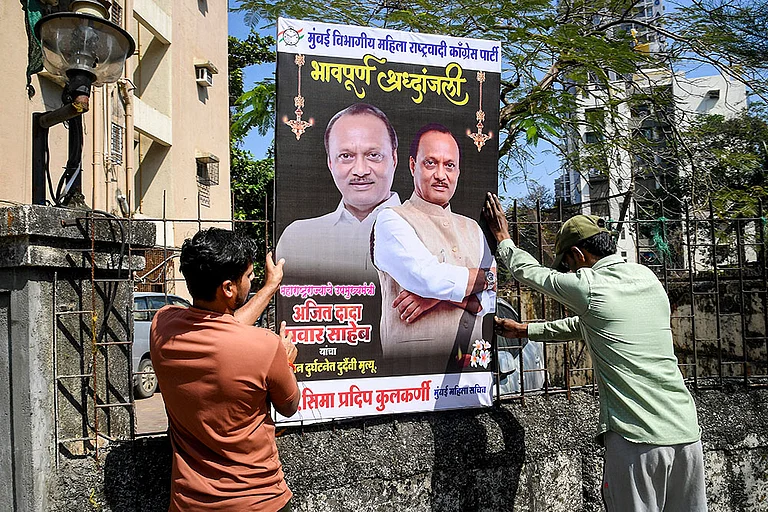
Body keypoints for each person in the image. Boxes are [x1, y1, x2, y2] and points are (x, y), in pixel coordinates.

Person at [484, 194, 706, 512]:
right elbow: (589, 325)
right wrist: (525, 330)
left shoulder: (590, 285)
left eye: (569, 265)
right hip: (686, 434)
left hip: (636, 439)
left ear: (577, 254)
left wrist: (503, 237)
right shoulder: (647, 279)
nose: (570, 271)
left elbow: (529, 273)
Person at [150, 228, 300, 512]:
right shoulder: (265, 346)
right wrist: (286, 360)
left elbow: (218, 328)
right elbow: (290, 405)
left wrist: (269, 287)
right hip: (258, 500)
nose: (253, 280)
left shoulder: (163, 326)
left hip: (189, 503)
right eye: (249, 277)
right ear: (229, 288)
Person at [372, 123, 495, 367]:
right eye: (431, 163)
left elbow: (490, 299)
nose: (441, 174)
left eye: (449, 165)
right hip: (411, 378)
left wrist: (433, 297)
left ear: (458, 171)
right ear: (412, 165)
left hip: (469, 378)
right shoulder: (391, 219)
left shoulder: (473, 228)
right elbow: (427, 278)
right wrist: (478, 283)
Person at [276, 103, 401, 280]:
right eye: (346, 156)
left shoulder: (427, 231)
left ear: (394, 159)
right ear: (330, 163)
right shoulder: (297, 238)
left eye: (373, 155)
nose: (360, 170)